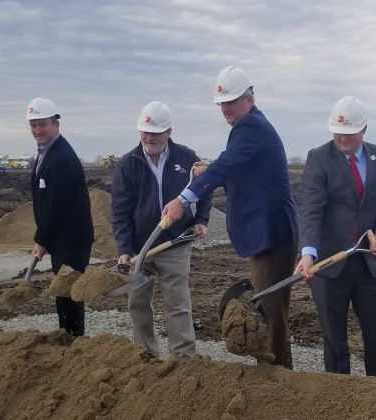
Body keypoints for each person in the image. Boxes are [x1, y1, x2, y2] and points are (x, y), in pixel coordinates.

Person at [162, 66, 299, 368]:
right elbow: (235, 166)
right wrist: (209, 168)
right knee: (273, 308)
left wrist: (184, 199)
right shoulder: (252, 128)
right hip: (271, 233)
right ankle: (281, 375)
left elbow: (227, 166)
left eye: (232, 101)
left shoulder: (250, 128)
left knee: (269, 310)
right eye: (222, 103)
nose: (225, 108)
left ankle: (276, 378)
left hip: (271, 235)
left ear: (249, 100)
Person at [294, 96, 376, 377]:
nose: (342, 138)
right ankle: (339, 396)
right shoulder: (319, 158)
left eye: (349, 133)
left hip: (370, 265)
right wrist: (308, 253)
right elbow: (311, 211)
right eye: (337, 131)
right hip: (329, 267)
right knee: (334, 340)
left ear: (364, 129)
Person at [111, 101, 212, 358]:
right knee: (139, 305)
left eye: (154, 132)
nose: (148, 137)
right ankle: (144, 358)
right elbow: (120, 212)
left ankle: (183, 361)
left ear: (168, 131)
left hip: (175, 243)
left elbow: (205, 188)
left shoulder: (186, 158)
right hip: (140, 248)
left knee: (177, 305)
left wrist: (201, 219)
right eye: (144, 131)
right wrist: (124, 249)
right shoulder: (128, 164)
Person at [26, 97, 94, 337]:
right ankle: (67, 337)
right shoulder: (47, 152)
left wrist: (41, 240)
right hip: (62, 237)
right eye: (33, 125)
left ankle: (75, 342)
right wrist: (45, 239)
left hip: (72, 239)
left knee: (68, 291)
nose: (37, 130)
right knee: (62, 291)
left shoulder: (61, 157)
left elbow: (56, 206)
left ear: (56, 124)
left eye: (42, 124)